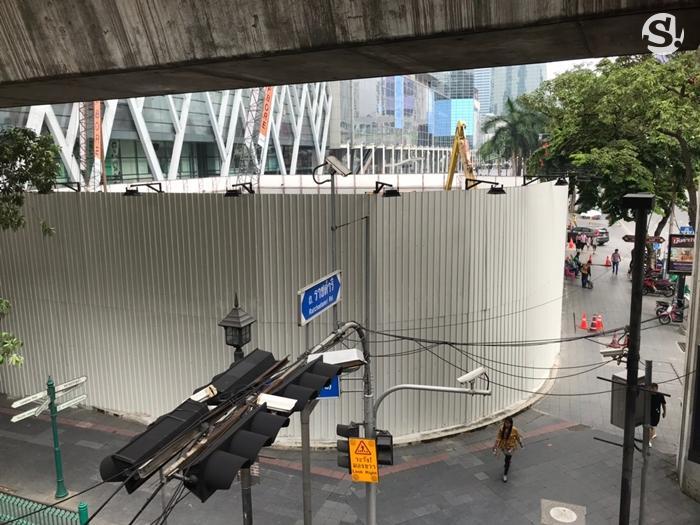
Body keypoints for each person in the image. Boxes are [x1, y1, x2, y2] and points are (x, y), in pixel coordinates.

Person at [492, 417, 523, 482]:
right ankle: (508, 462)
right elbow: (498, 437)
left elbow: (517, 437)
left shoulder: (514, 430)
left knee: (507, 460)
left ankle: (505, 474)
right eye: (505, 423)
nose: (506, 424)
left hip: (511, 447)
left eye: (508, 423)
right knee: (506, 457)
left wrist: (520, 443)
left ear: (511, 423)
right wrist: (495, 447)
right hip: (503, 446)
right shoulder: (501, 429)